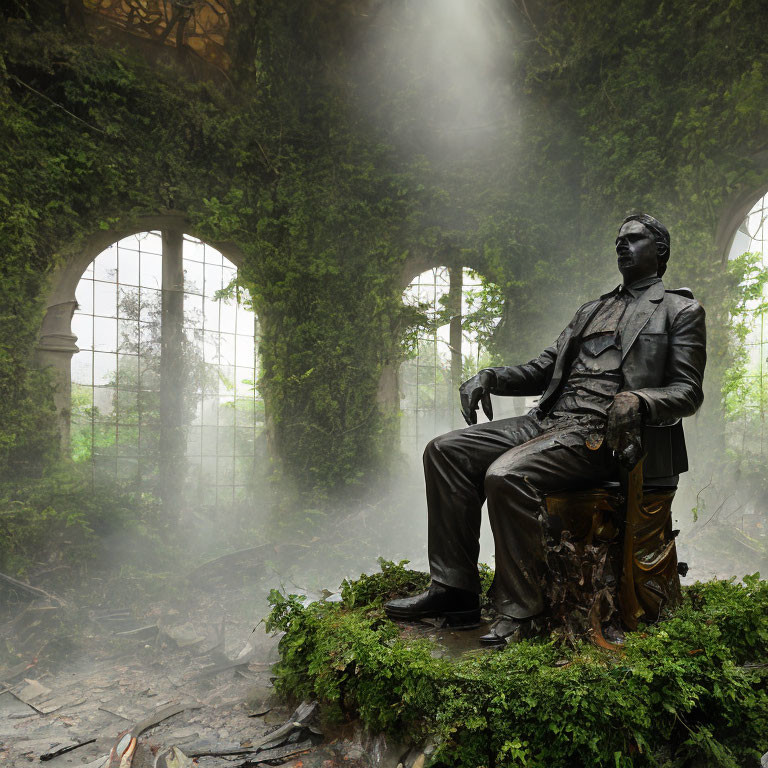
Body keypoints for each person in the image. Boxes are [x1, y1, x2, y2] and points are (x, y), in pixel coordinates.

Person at [384, 213, 707, 644]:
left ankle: (523, 611)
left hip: (606, 436)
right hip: (550, 422)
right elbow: (543, 368)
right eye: (618, 240)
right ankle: (454, 591)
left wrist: (640, 399)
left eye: (634, 239)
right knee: (446, 451)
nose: (622, 245)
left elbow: (688, 391)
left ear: (660, 251)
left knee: (507, 475)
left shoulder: (679, 310)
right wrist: (491, 376)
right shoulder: (592, 309)